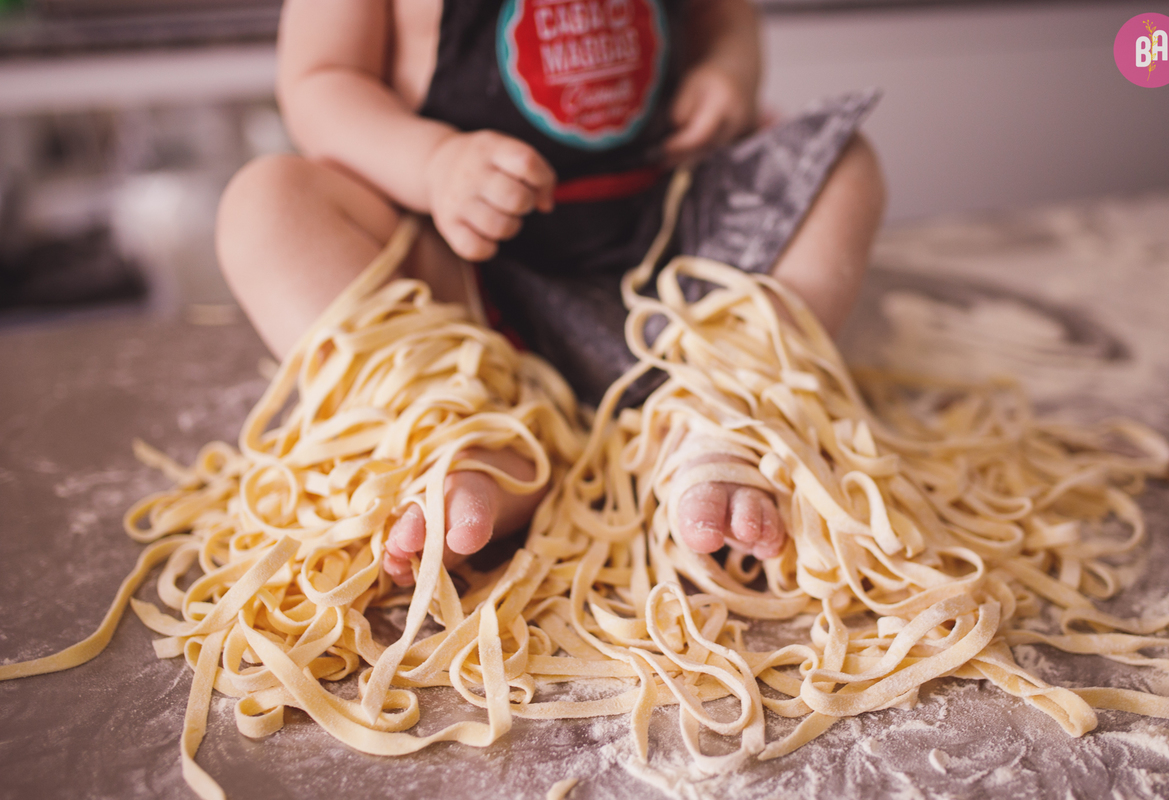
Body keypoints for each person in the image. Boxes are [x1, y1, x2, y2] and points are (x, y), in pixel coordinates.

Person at [215, 0, 886, 585]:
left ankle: (726, 406)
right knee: (265, 204)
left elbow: (721, 15)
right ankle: (468, 435)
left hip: (679, 263)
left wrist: (725, 74)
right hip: (463, 281)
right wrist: (432, 162)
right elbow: (322, 79)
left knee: (842, 161)